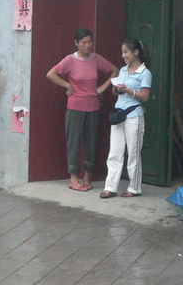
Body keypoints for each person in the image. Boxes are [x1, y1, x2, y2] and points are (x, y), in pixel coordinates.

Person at [47, 28, 118, 192]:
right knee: (74, 142)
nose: (87, 45)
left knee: (91, 141)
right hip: (75, 107)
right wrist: (67, 85)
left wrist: (102, 88)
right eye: (84, 42)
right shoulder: (70, 60)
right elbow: (51, 74)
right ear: (76, 43)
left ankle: (87, 176)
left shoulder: (96, 59)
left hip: (93, 107)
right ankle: (73, 179)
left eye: (90, 42)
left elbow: (115, 70)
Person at [100, 38, 151, 198]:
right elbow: (116, 91)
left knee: (133, 153)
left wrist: (128, 90)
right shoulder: (122, 70)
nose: (123, 55)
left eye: (126, 52)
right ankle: (110, 187)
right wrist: (116, 89)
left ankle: (134, 187)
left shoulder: (145, 73)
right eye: (122, 52)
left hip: (134, 116)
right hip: (119, 114)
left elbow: (145, 97)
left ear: (136, 52)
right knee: (114, 152)